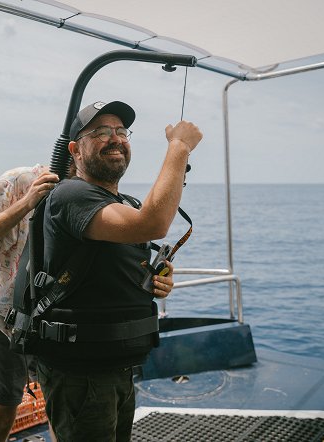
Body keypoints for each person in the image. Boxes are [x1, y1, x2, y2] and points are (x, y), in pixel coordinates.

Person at [36, 100, 203, 442]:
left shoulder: (123, 204)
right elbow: (153, 224)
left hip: (118, 366)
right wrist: (179, 147)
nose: (115, 138)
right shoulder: (70, 195)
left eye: (120, 131)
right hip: (81, 373)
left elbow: (128, 253)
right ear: (75, 151)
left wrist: (158, 278)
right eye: (100, 132)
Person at [0, 164, 59, 442]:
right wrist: (27, 203)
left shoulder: (89, 193)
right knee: (2, 415)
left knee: (60, 408)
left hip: (48, 319)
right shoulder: (20, 180)